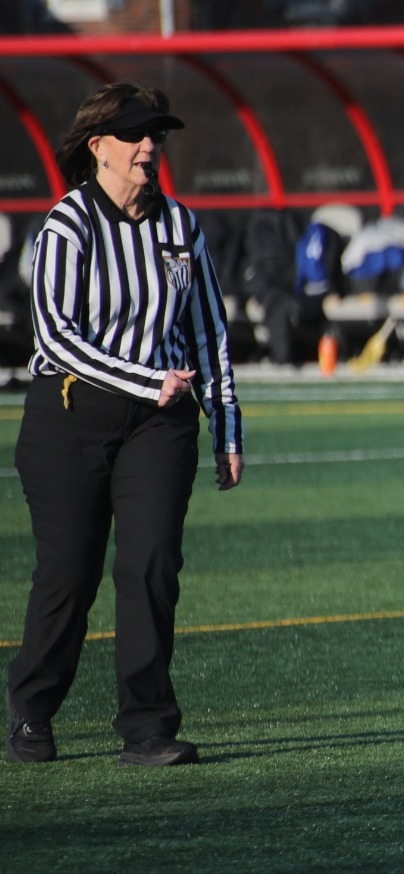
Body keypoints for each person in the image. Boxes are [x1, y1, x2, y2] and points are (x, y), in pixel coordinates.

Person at [5, 82, 243, 767]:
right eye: (137, 134)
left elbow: (207, 330)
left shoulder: (180, 225)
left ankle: (147, 726)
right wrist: (145, 379)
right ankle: (33, 708)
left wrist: (226, 427)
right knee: (68, 574)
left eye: (158, 136)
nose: (150, 147)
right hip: (71, 414)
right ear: (97, 147)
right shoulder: (66, 224)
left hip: (159, 424)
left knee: (151, 565)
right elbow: (55, 334)